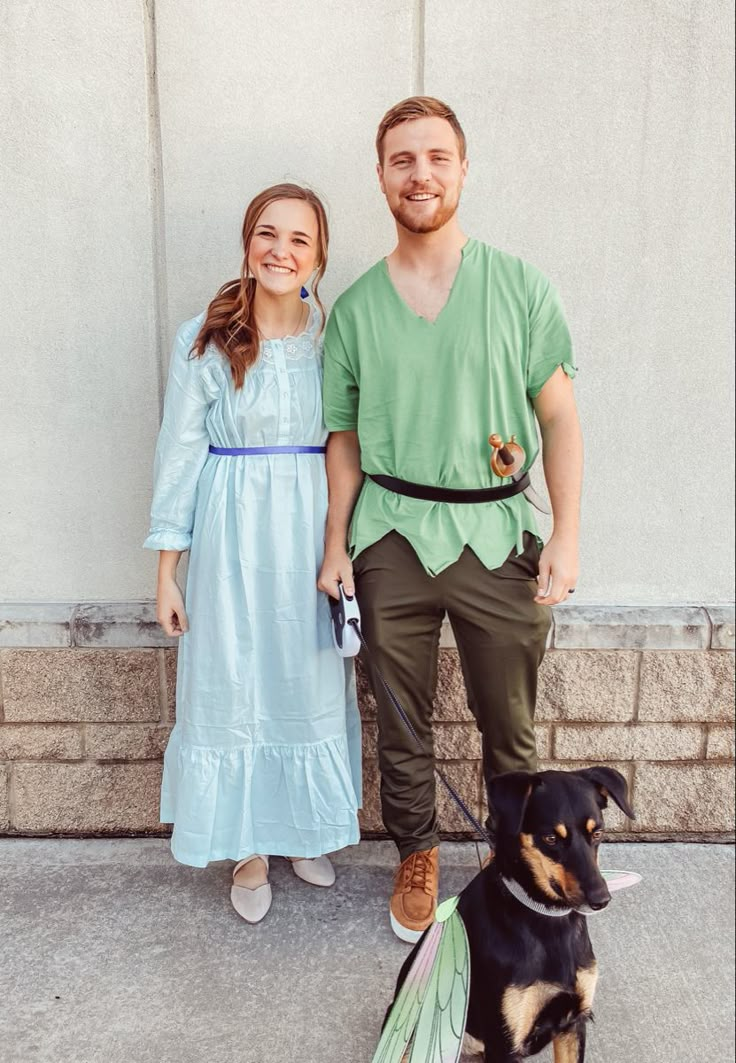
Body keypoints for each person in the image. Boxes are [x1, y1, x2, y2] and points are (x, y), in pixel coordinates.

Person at [318, 98, 582, 943]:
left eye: (436, 157)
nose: (420, 174)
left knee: (510, 716)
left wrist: (567, 534)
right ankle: (417, 850)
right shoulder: (355, 310)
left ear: (463, 169)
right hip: (389, 533)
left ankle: (517, 857)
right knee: (400, 714)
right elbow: (346, 439)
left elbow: (560, 419)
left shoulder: (519, 286)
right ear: (382, 176)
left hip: (497, 530)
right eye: (402, 159)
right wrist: (336, 545)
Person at [145, 183, 361, 923]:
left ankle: (303, 824)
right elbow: (177, 453)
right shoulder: (203, 338)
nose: (280, 250)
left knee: (303, 679)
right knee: (235, 682)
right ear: (247, 244)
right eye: (267, 234)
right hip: (230, 531)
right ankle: (246, 845)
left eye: (298, 239)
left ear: (319, 257)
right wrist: (168, 572)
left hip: (307, 529)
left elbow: (346, 444)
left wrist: (339, 543)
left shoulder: (332, 342)